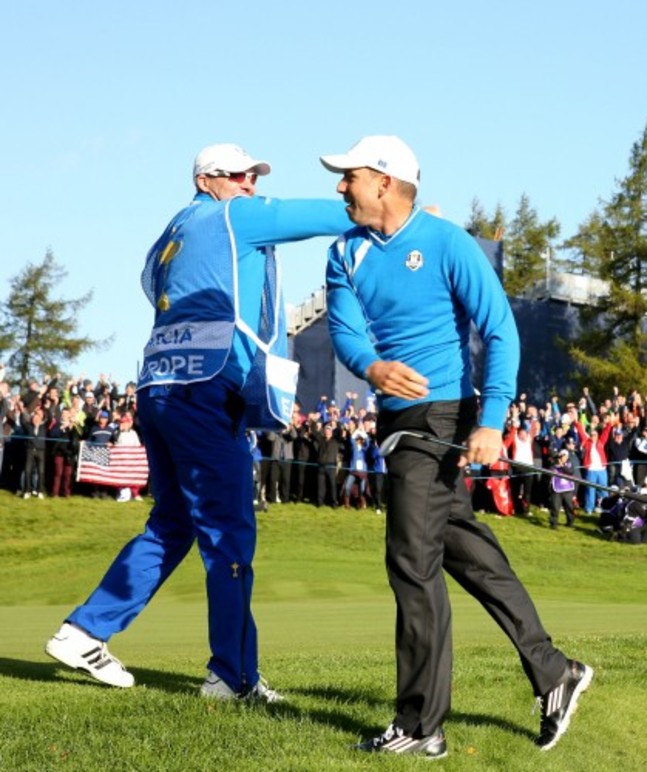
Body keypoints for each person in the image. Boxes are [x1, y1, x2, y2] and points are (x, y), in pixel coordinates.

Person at [321, 135, 593, 759]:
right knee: (467, 554)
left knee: (411, 560)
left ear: (384, 182)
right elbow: (344, 327)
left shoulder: (448, 243)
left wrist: (492, 421)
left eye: (350, 176)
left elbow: (500, 329)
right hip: (396, 418)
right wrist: (371, 366)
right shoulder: (344, 252)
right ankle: (554, 671)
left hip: (444, 416)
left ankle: (421, 727)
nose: (341, 187)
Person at [45, 142, 349, 698]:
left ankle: (84, 631)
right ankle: (232, 677)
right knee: (228, 530)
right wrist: (395, 212)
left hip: (157, 385)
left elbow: (151, 287)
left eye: (254, 177)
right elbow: (326, 214)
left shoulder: (171, 231)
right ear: (206, 180)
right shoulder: (236, 216)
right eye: (238, 175)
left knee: (174, 522)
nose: (249, 185)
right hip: (206, 387)